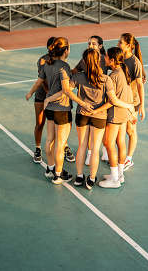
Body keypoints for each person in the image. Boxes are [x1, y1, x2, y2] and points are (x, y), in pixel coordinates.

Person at [46, 48, 135, 190]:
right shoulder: (106, 79)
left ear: (84, 62)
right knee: (95, 148)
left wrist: (81, 103)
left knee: (82, 145)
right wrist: (98, 110)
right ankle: (91, 179)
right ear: (98, 61)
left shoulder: (78, 77)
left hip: (82, 114)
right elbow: (112, 100)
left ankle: (79, 176)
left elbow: (66, 91)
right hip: (99, 117)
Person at [26, 37, 92, 185]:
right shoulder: (64, 67)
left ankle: (50, 168)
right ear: (66, 50)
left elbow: (38, 83)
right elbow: (65, 91)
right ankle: (58, 174)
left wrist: (30, 93)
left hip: (49, 109)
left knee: (49, 140)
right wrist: (82, 102)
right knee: (60, 143)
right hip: (61, 109)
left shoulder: (47, 64)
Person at [97, 47, 136, 188]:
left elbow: (112, 101)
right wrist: (131, 109)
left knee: (108, 143)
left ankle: (114, 180)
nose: (104, 58)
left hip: (116, 114)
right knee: (120, 142)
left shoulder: (112, 76)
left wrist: (96, 110)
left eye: (106, 57)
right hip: (124, 113)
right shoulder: (123, 71)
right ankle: (119, 175)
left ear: (112, 60)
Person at [71, 35, 109, 164]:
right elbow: (73, 71)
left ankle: (105, 150)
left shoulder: (105, 60)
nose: (90, 46)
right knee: (88, 134)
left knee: (104, 128)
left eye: (93, 44)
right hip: (87, 102)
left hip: (102, 102)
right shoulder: (84, 60)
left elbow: (116, 70)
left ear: (100, 46)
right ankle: (90, 153)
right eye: (89, 43)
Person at [118, 33, 145, 171]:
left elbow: (140, 85)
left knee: (131, 130)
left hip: (132, 103)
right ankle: (122, 157)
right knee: (122, 131)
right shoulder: (120, 58)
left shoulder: (135, 62)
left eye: (120, 42)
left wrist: (142, 107)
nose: (118, 44)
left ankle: (129, 159)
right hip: (122, 101)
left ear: (128, 46)